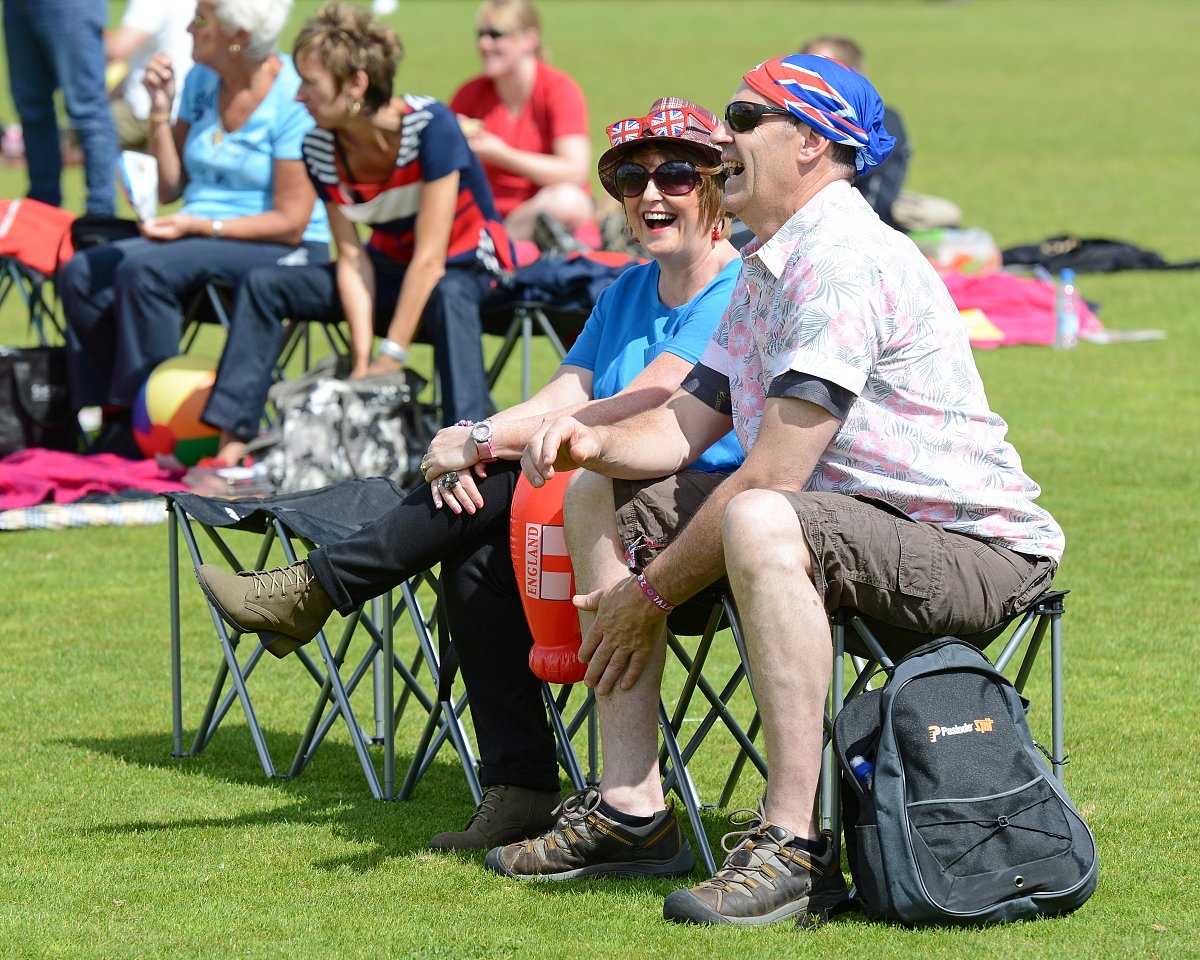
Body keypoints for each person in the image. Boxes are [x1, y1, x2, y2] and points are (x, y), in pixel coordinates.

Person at [496, 54, 1064, 927]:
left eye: (744, 116)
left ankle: (794, 844)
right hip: (847, 524)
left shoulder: (841, 262)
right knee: (596, 488)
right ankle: (632, 807)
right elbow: (682, 425)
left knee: (761, 515)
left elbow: (773, 474)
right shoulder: (767, 266)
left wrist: (645, 595)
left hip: (971, 548)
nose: (724, 135)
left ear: (808, 141)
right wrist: (592, 439)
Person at [195, 97, 745, 853]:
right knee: (474, 544)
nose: (651, 194)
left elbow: (646, 400)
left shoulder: (737, 292)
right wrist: (476, 438)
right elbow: (568, 395)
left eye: (676, 174)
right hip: (588, 499)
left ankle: (315, 590)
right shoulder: (625, 289)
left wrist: (483, 439)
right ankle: (518, 788)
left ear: (715, 184)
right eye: (630, 177)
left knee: (486, 490)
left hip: (684, 523)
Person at [200, 1, 513, 464]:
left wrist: (392, 355)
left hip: (467, 265)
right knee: (266, 284)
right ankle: (232, 446)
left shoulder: (431, 127)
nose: (298, 96)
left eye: (309, 82)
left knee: (448, 292)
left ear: (356, 84)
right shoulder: (319, 147)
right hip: (389, 269)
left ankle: (471, 453)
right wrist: (365, 361)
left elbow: (431, 259)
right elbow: (352, 258)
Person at [59, 0, 330, 458]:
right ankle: (109, 416)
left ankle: (149, 425)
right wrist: (159, 113)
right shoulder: (203, 79)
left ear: (238, 35)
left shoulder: (290, 98)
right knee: (83, 270)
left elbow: (289, 222)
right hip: (197, 233)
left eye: (202, 19)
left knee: (145, 270)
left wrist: (200, 224)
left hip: (282, 245)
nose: (188, 26)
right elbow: (171, 186)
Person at [449, 0, 592, 246]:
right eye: (481, 35)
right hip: (485, 211)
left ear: (529, 39)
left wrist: (502, 155)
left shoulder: (558, 90)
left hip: (538, 208)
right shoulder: (470, 93)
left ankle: (498, 244)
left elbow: (575, 172)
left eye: (496, 35)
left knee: (569, 201)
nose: (484, 44)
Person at [800, 34, 960, 232]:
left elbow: (831, 174)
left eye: (816, 71)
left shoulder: (882, 120)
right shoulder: (797, 119)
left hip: (862, 231)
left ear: (853, 75)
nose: (800, 77)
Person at [2, 0, 118, 216]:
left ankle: (100, 215)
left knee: (87, 110)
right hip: (17, 6)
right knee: (31, 110)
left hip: (69, 5)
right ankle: (41, 211)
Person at [105, 0, 195, 151]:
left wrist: (80, 21)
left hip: (144, 111)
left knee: (77, 130)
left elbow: (116, 49)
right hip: (184, 111)